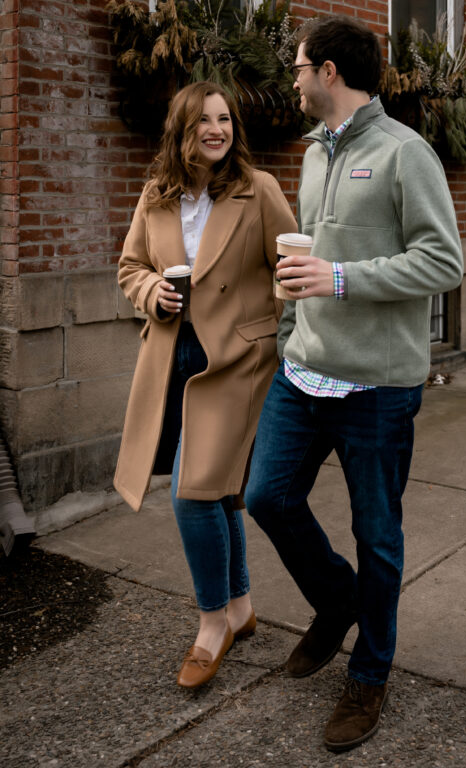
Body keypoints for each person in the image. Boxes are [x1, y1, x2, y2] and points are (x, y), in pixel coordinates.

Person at [245, 16, 463, 752]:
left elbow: (443, 263)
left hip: (377, 389)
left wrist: (339, 278)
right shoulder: (311, 156)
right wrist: (288, 334)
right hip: (303, 372)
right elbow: (305, 264)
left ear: (330, 72)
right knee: (267, 497)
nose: (295, 79)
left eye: (301, 66)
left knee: (379, 537)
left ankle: (369, 675)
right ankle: (337, 604)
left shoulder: (407, 153)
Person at [114, 80, 297, 689]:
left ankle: (211, 622)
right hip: (174, 352)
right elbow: (130, 266)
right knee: (214, 490)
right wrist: (152, 292)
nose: (216, 130)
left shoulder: (258, 189)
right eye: (203, 122)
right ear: (182, 131)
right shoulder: (156, 195)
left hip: (236, 361)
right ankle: (241, 608)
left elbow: (291, 268)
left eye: (224, 119)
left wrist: (264, 328)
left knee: (191, 494)